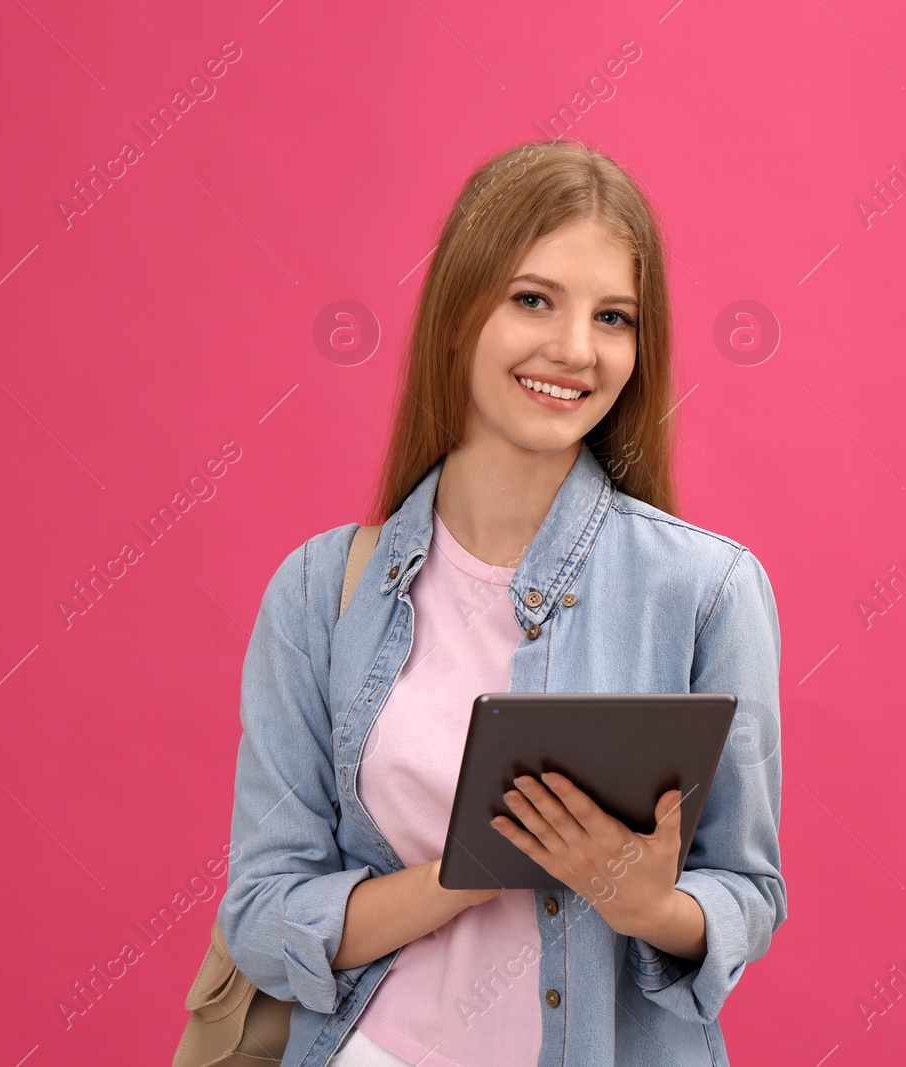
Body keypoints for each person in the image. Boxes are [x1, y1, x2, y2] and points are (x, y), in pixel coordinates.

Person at [217, 139, 786, 1067]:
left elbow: (748, 888)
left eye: (614, 317)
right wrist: (464, 873)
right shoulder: (321, 592)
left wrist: (643, 903)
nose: (573, 349)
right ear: (456, 312)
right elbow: (262, 911)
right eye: (533, 299)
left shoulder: (708, 589)